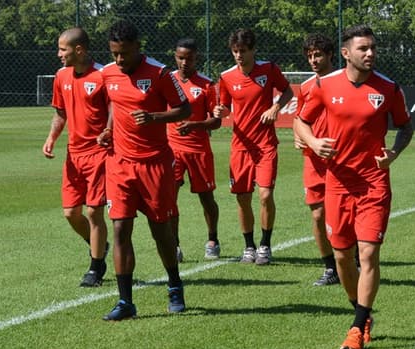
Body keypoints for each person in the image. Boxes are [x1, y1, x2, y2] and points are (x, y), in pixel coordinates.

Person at [294, 25, 413, 349]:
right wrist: (314, 141)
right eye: (363, 49)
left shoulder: (388, 88)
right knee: (343, 257)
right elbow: (301, 122)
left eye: (373, 47)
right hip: (338, 184)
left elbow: (405, 127)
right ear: (346, 53)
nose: (370, 53)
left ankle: (357, 326)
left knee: (368, 254)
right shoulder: (324, 86)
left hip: (374, 183)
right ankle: (360, 310)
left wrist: (395, 151)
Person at [98, 20, 192, 320]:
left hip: (155, 164)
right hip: (119, 164)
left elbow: (185, 108)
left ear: (138, 47)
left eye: (124, 53)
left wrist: (153, 117)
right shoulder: (108, 73)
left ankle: (175, 284)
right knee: (120, 228)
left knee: (160, 231)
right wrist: (109, 129)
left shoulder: (160, 73)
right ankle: (126, 302)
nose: (119, 60)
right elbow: (114, 103)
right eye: (114, 53)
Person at [213, 28, 294, 265]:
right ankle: (249, 246)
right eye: (235, 51)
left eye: (243, 51)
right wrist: (221, 111)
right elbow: (225, 108)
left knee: (266, 194)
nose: (239, 55)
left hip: (265, 143)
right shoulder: (226, 76)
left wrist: (275, 108)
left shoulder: (268, 69)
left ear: (253, 50)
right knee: (242, 198)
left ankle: (265, 245)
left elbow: (288, 91)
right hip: (240, 146)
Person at [43, 27, 110, 288]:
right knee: (71, 213)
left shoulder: (103, 75)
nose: (59, 54)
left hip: (99, 154)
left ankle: (95, 267)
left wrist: (108, 132)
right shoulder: (61, 76)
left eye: (63, 49)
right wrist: (51, 138)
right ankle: (98, 246)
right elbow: (60, 113)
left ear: (79, 50)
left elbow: (116, 111)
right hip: (74, 155)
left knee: (94, 212)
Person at [167, 38, 222, 262]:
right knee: (170, 198)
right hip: (172, 149)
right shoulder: (166, 80)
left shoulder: (207, 85)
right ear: (175, 57)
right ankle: (175, 245)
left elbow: (216, 122)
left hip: (199, 149)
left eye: (188, 58)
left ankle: (213, 240)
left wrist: (195, 125)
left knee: (206, 197)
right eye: (180, 58)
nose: (184, 62)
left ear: (195, 58)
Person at [293, 33, 340, 286]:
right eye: (310, 56)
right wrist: (299, 137)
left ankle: (351, 259)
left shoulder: (345, 82)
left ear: (331, 55)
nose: (313, 60)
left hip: (339, 159)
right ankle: (330, 268)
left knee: (345, 215)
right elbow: (299, 120)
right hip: (313, 161)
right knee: (317, 215)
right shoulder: (306, 87)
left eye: (318, 55)